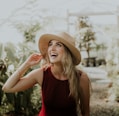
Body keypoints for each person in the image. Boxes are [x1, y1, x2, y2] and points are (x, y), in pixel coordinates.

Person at [2, 31, 91, 116]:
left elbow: (85, 112)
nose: (52, 48)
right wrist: (27, 64)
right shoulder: (41, 74)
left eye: (58, 45)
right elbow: (7, 88)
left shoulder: (81, 78)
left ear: (68, 52)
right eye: (50, 44)